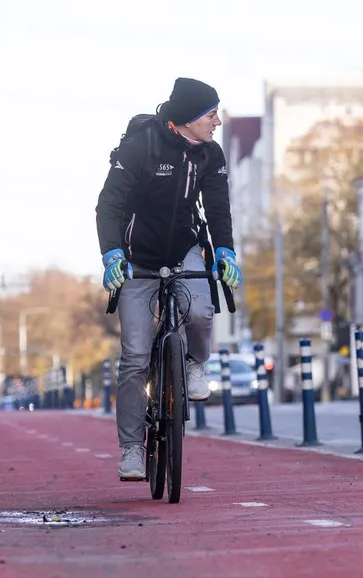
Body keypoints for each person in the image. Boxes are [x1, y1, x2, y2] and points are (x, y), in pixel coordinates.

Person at [95, 77, 242, 481]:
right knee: (135, 359)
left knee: (199, 310)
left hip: (184, 248)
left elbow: (218, 209)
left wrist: (225, 250)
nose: (218, 122)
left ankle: (196, 362)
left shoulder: (210, 155)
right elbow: (109, 204)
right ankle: (131, 448)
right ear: (189, 118)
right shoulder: (141, 146)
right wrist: (111, 254)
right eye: (212, 114)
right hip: (136, 257)